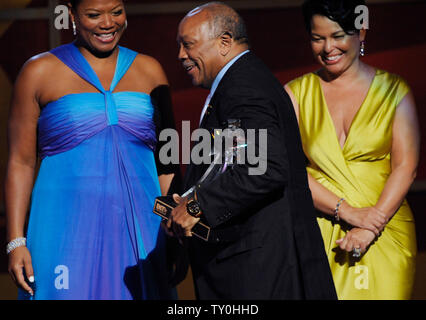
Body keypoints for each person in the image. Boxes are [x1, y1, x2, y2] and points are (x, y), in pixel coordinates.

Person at [5, 0, 178, 299]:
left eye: (117, 11)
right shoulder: (38, 71)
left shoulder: (150, 70)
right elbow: (20, 163)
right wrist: (15, 241)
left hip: (143, 229)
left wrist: (175, 233)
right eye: (94, 15)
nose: (108, 23)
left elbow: (168, 163)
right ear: (71, 14)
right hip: (64, 230)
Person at [167, 2, 337, 299]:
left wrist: (197, 206)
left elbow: (267, 166)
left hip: (256, 272)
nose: (181, 55)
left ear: (224, 42)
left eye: (188, 44)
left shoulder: (243, 85)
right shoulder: (240, 81)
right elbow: (231, 165)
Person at [284, 0, 419, 299]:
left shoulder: (395, 90)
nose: (327, 48)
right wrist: (346, 212)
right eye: (317, 38)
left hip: (385, 229)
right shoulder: (294, 93)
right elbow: (289, 170)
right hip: (320, 229)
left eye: (337, 36)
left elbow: (405, 167)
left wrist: (371, 226)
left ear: (362, 31)